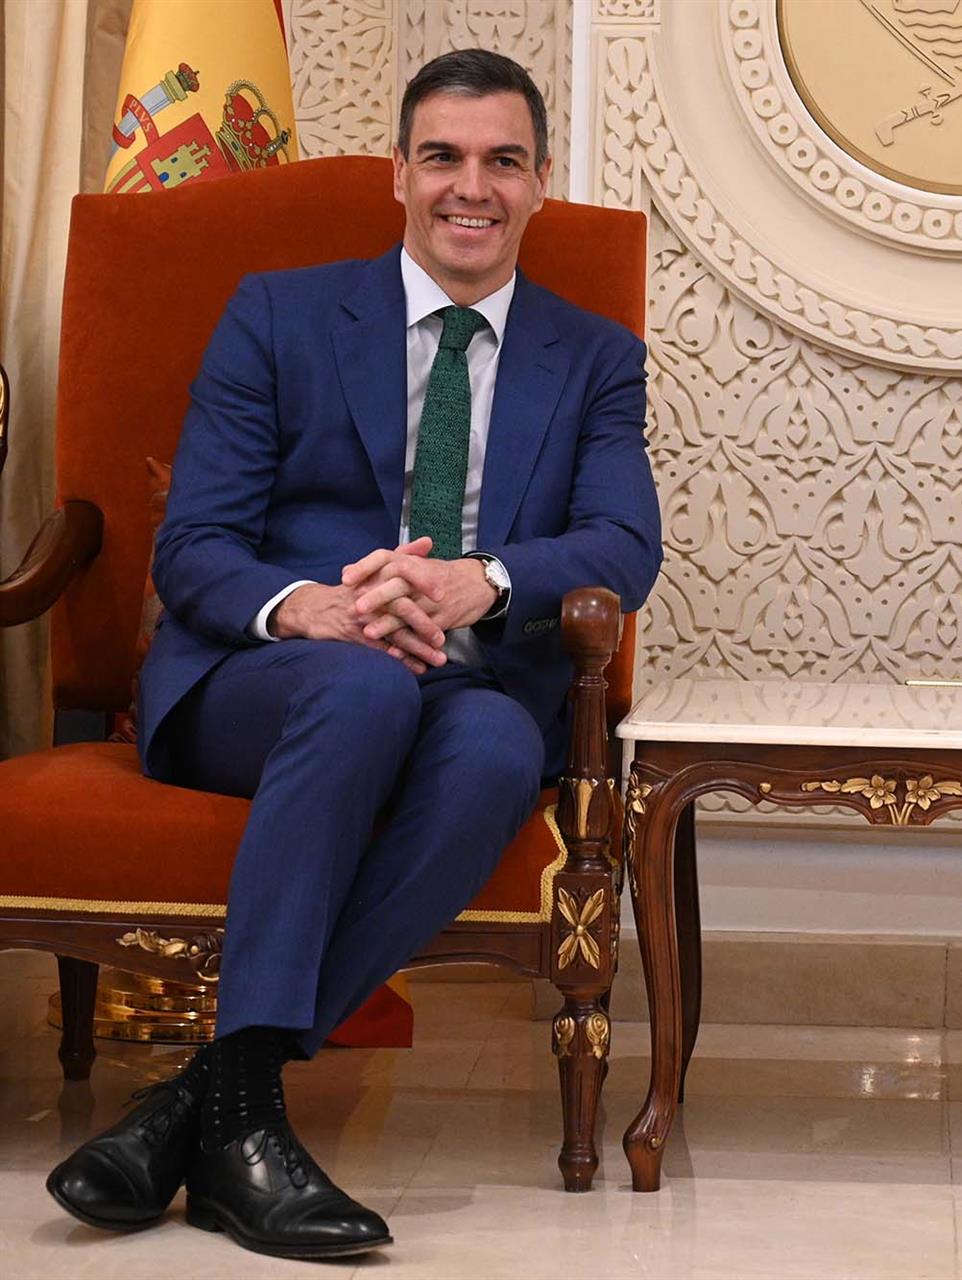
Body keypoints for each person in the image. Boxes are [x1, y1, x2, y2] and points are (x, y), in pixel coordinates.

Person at [45, 49, 661, 1259]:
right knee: (364, 682)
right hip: (261, 682)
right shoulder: (279, 314)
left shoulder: (592, 355)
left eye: (502, 161)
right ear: (399, 173)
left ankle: (211, 1105)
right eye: (443, 157)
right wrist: (310, 607)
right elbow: (196, 544)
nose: (470, 187)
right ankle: (240, 1120)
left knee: (498, 751)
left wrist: (478, 579)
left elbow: (622, 543)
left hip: (471, 680)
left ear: (540, 181)